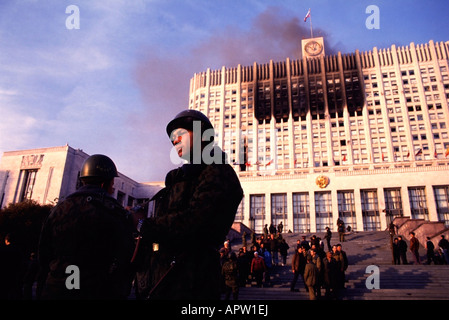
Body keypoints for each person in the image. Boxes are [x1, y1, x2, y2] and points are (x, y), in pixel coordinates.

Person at [135, 110, 243, 300]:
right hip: (162, 283)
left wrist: (144, 224)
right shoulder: (180, 179)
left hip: (192, 284)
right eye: (172, 138)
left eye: (180, 135)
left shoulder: (218, 171)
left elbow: (195, 222)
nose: (175, 141)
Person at [38, 154, 135, 299]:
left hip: (57, 289)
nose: (112, 187)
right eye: (112, 183)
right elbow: (126, 257)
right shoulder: (115, 212)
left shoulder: (58, 209)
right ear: (105, 184)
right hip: (95, 290)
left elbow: (44, 254)